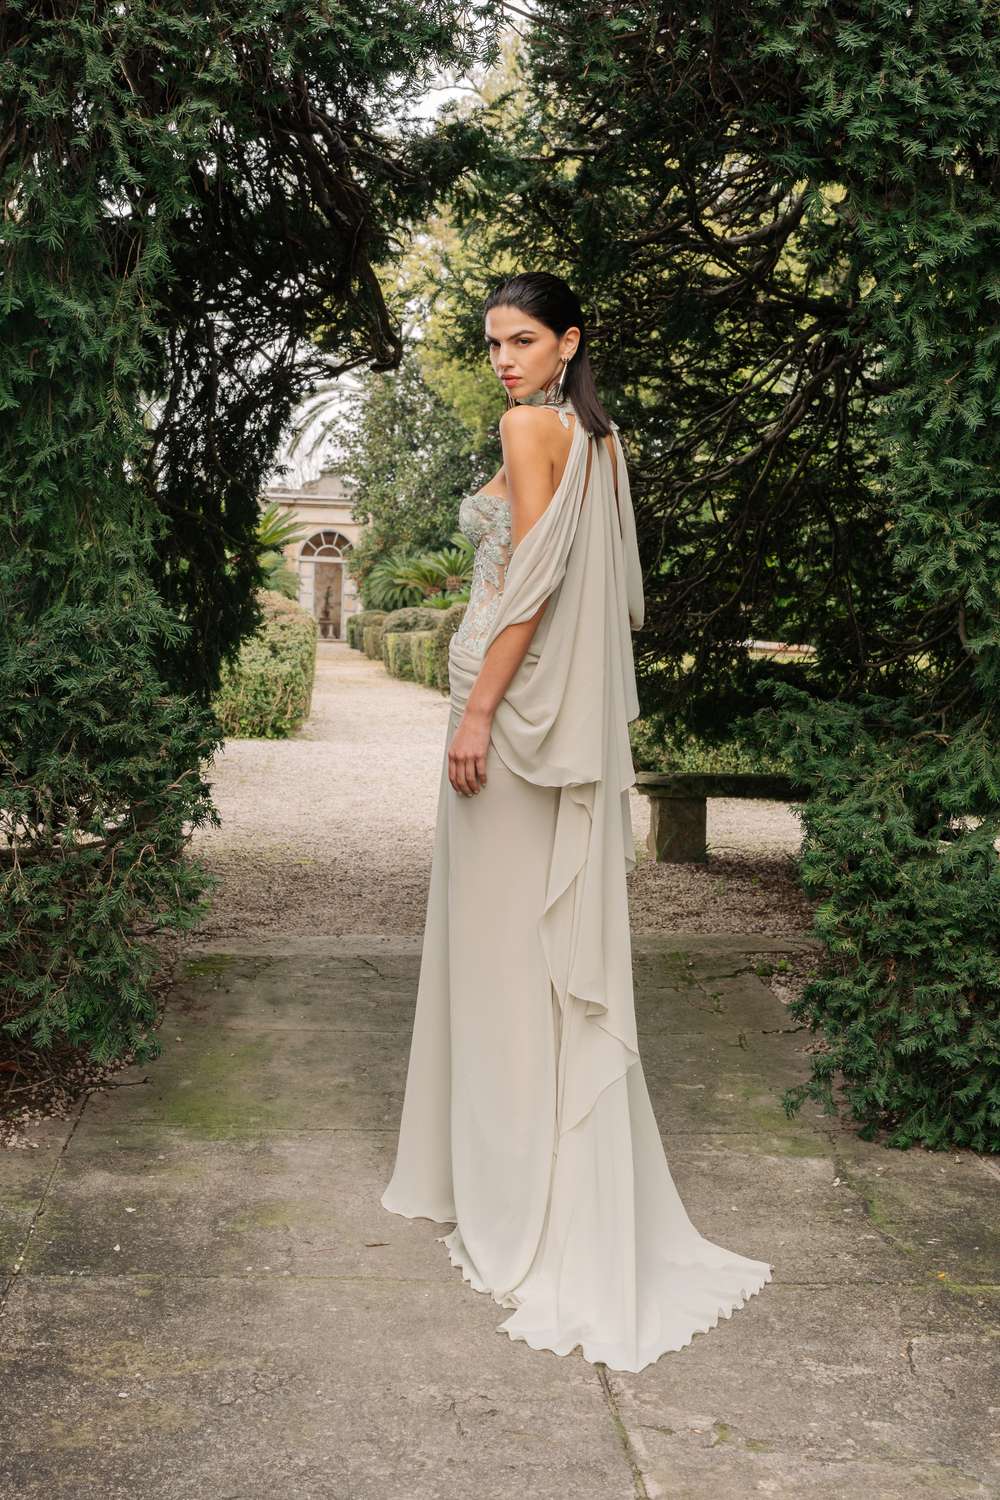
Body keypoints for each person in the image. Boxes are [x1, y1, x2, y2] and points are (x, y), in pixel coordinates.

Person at [380, 271, 773, 1373]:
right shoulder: (599, 438)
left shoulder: (529, 430)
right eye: (493, 343)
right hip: (542, 716)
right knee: (526, 953)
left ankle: (516, 1195)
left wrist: (478, 711)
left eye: (522, 340)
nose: (504, 360)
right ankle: (529, 1175)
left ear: (568, 341)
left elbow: (531, 588)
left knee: (502, 955)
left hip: (505, 718)